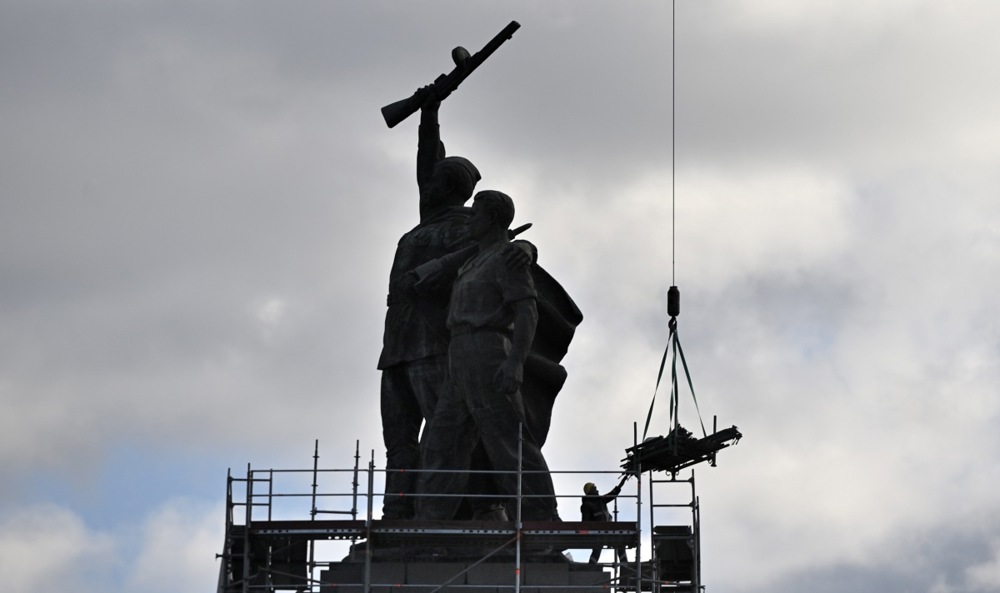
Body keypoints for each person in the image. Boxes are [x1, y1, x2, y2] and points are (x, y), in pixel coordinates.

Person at [377, 94, 532, 520]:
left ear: (448, 187)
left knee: (446, 436)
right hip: (397, 345)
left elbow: (506, 247)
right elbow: (427, 160)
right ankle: (399, 511)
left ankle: (464, 508)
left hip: (435, 342)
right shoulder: (429, 219)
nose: (425, 182)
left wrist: (528, 247)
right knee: (400, 437)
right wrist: (429, 113)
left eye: (435, 179)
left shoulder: (470, 225)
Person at [416, 190, 558, 523]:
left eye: (476, 215)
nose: (470, 221)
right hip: (460, 354)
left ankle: (543, 523)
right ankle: (426, 527)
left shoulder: (506, 257)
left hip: (489, 351)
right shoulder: (470, 262)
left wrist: (515, 362)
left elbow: (527, 311)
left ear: (493, 218)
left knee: (508, 444)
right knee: (442, 443)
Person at [581, 476, 630, 564]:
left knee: (619, 545)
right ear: (590, 491)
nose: (597, 490)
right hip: (597, 533)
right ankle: (589, 568)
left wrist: (622, 483)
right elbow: (585, 523)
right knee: (597, 550)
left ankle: (625, 567)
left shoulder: (601, 500)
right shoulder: (587, 505)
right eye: (595, 488)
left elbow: (613, 494)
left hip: (607, 530)